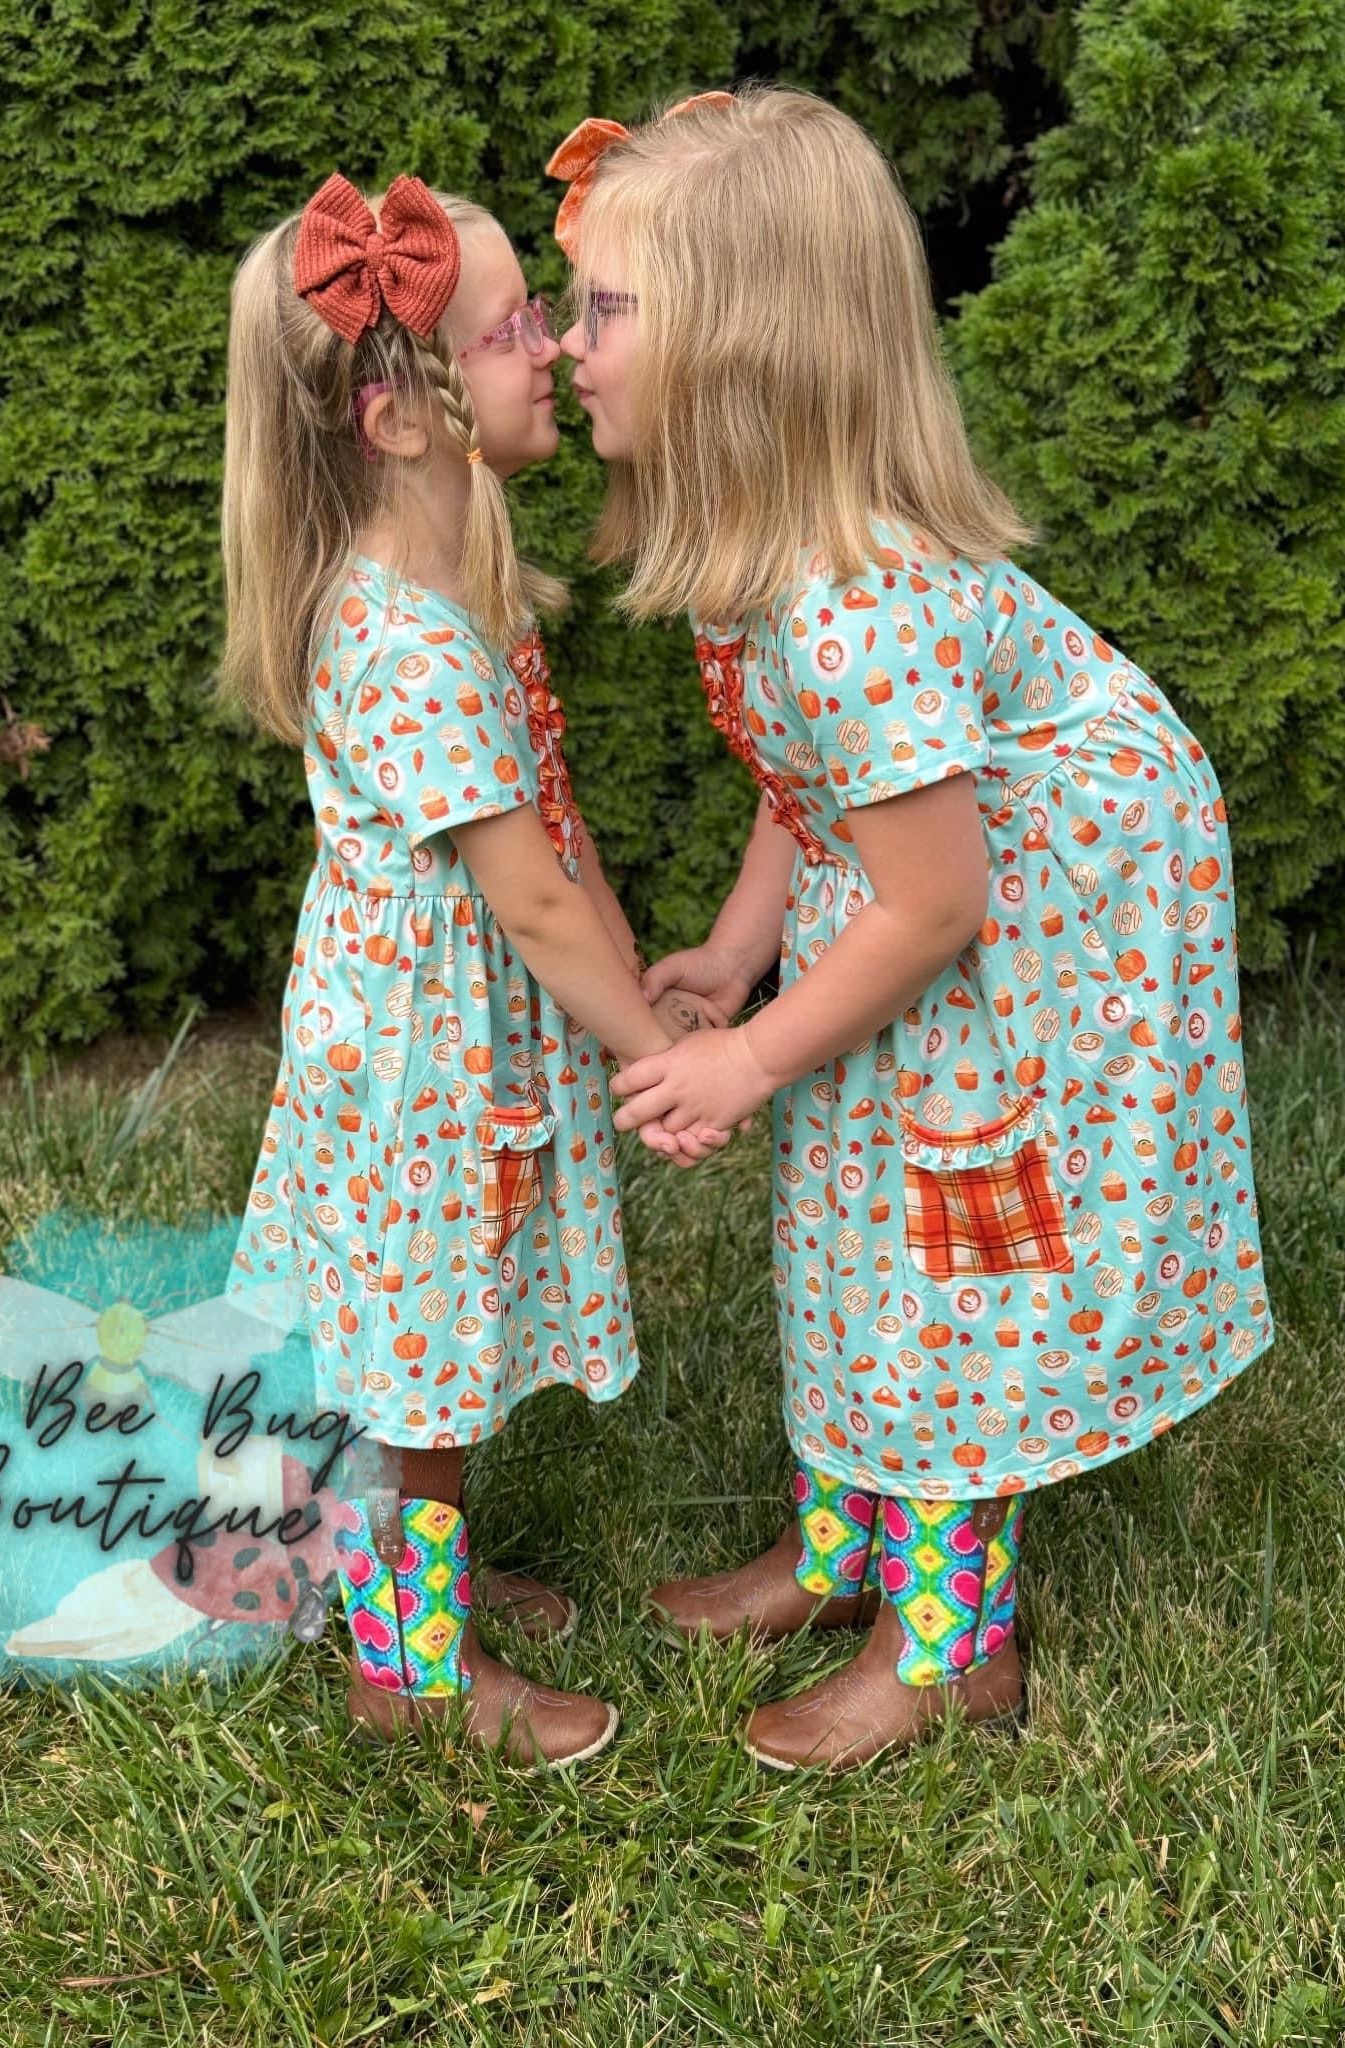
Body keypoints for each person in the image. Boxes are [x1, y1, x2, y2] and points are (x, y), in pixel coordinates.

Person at [551, 86, 1274, 1771]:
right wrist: (744, 953)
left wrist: (745, 1055)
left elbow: (937, 898)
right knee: (850, 1205)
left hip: (1042, 910)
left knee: (950, 1249)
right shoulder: (769, 562)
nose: (565, 345)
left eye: (603, 309)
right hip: (933, 884)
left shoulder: (856, 608)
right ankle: (841, 1547)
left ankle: (953, 1644)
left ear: (739, 346)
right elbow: (804, 787)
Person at [219, 169, 726, 1767]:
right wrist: (654, 1049)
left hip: (448, 1047)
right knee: (416, 1369)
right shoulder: (405, 640)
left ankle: (406, 1576)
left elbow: (560, 839)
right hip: (421, 1064)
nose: (556, 350)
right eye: (514, 329)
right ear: (403, 417)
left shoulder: (465, 599)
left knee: (440, 1340)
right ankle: (410, 1665)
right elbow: (533, 906)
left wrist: (637, 978)